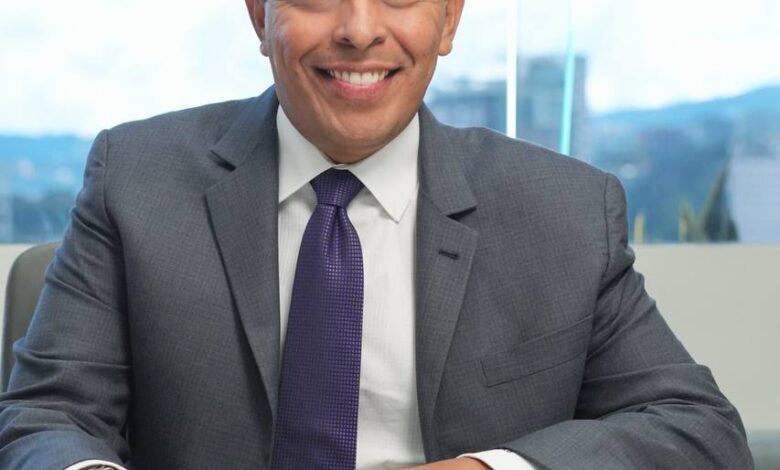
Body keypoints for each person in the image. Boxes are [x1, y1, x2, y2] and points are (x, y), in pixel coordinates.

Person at [0, 0, 754, 469]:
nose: (360, 30)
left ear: (449, 19)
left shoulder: (565, 212)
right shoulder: (133, 178)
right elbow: (46, 418)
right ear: (260, 15)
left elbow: (697, 431)